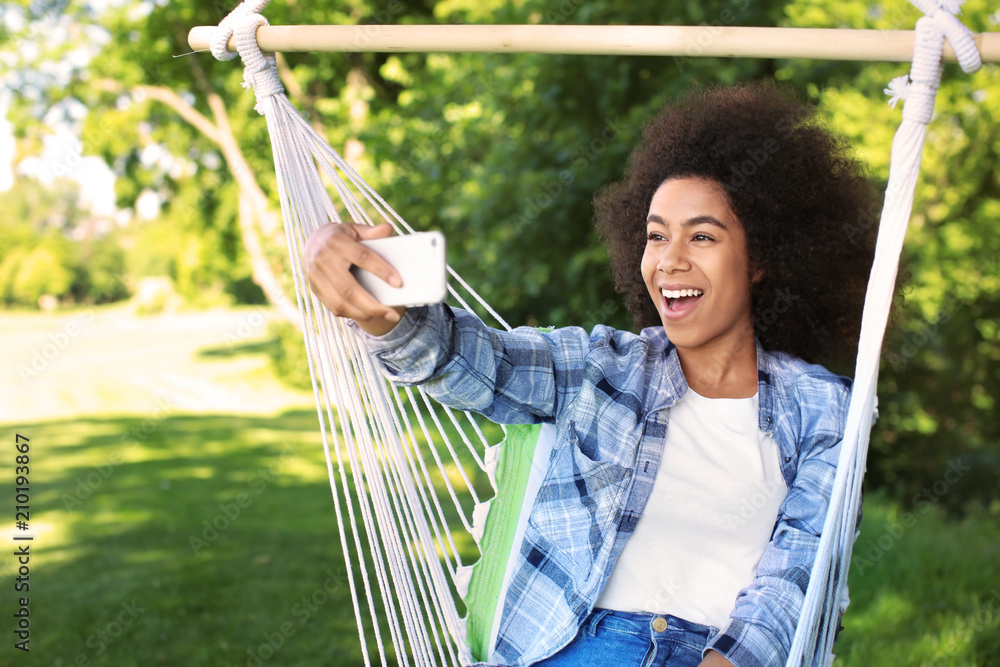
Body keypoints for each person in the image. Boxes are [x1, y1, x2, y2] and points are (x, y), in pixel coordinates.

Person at [304, 82, 877, 667]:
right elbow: (471, 362)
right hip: (580, 648)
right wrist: (372, 300)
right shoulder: (602, 369)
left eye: (702, 236)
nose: (669, 259)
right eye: (656, 236)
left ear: (761, 259)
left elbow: (804, 570)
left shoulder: (825, 408)